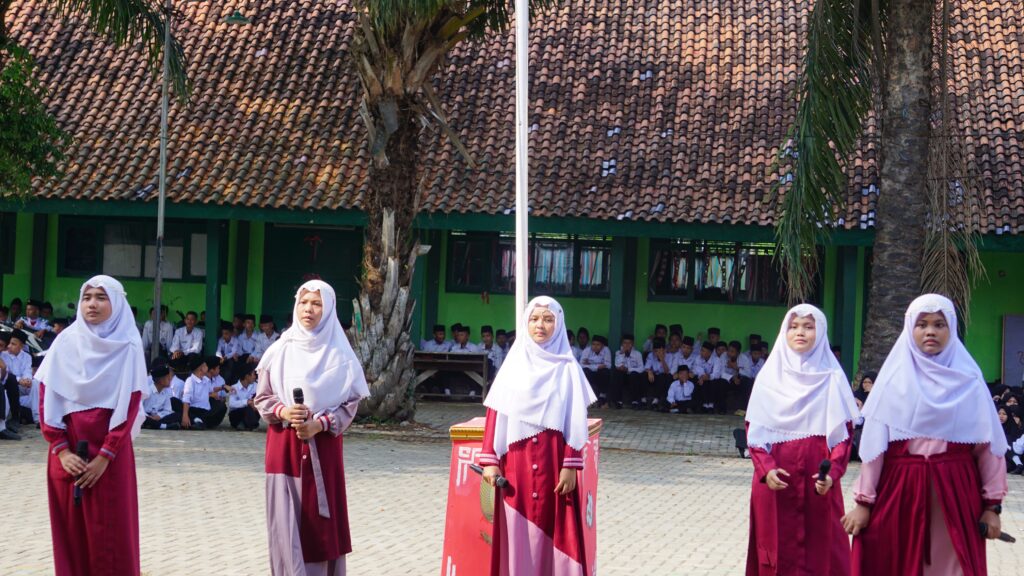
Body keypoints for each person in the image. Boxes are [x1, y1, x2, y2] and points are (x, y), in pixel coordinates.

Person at [844, 294, 1009, 575]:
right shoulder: (893, 381)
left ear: (952, 329)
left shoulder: (969, 381)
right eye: (922, 324)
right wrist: (863, 503)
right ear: (910, 329)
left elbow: (988, 449)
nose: (930, 331)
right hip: (899, 490)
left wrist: (992, 506)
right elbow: (875, 451)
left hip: (956, 491)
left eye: (939, 324)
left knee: (953, 566)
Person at [255, 280, 370, 575]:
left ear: (328, 309)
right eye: (304, 302)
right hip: (284, 450)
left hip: (324, 449)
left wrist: (320, 424)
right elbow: (263, 398)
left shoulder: (341, 356)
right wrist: (285, 411)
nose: (309, 309)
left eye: (317, 304)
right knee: (285, 523)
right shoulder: (279, 351)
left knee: (320, 528)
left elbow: (351, 403)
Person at [37, 275, 149, 576]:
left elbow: (131, 401)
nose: (93, 304)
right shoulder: (65, 342)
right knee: (71, 539)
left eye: (101, 297)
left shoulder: (127, 346)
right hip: (68, 453)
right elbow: (47, 397)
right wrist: (60, 450)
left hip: (109, 458)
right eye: (87, 297)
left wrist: (105, 456)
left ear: (117, 303)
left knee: (111, 539)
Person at [478, 296, 596, 575]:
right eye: (534, 319)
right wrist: (491, 461)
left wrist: (570, 465)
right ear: (525, 323)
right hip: (516, 468)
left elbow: (575, 422)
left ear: (559, 323)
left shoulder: (568, 369)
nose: (540, 325)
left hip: (553, 464)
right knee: (516, 532)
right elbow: (496, 415)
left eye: (547, 319)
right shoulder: (512, 366)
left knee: (556, 529)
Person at [745, 304, 860, 576]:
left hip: (817, 479)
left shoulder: (831, 378)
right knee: (774, 548)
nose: (801, 332)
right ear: (784, 332)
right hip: (776, 480)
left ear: (820, 333)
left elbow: (843, 437)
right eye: (794, 326)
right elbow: (755, 432)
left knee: (823, 550)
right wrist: (766, 469)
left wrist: (831, 473)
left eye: (809, 327)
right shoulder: (769, 378)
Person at [180, 355, 227, 430]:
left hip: (205, 411)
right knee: (174, 401)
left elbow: (212, 389)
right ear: (201, 368)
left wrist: (223, 387)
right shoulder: (190, 381)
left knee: (221, 406)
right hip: (193, 409)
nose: (207, 367)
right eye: (205, 365)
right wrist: (185, 415)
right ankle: (196, 421)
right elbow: (186, 399)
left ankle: (198, 422)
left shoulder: (205, 380)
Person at [142, 362, 181, 430]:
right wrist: (149, 417)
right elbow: (138, 408)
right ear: (161, 380)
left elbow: (167, 410)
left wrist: (159, 416)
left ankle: (154, 425)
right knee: (142, 418)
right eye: (168, 378)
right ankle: (163, 426)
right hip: (146, 416)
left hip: (157, 417)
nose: (170, 379)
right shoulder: (147, 391)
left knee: (177, 415)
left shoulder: (166, 392)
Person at [613, 333, 645, 409]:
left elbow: (641, 368)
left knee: (634, 375)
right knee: (618, 374)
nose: (627, 345)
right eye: (625, 343)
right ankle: (618, 401)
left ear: (632, 344)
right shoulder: (618, 353)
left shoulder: (637, 354)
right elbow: (617, 365)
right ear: (622, 344)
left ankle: (635, 401)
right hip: (623, 376)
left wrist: (629, 370)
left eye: (629, 343)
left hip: (633, 377)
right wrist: (622, 354)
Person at [644, 337, 675, 411]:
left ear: (664, 350)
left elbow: (667, 371)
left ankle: (657, 400)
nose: (657, 353)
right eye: (655, 351)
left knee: (665, 376)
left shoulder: (670, 356)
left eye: (659, 351)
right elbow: (646, 367)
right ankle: (643, 400)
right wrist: (649, 371)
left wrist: (662, 360)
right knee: (644, 375)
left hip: (664, 377)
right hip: (654, 377)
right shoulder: (651, 355)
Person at [579, 334, 611, 404]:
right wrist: (597, 366)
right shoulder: (587, 350)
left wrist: (590, 363)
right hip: (591, 373)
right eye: (593, 344)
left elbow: (608, 365)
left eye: (598, 344)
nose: (595, 346)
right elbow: (581, 364)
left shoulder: (606, 350)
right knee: (585, 371)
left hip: (600, 373)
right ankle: (588, 395)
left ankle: (602, 395)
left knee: (605, 372)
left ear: (602, 346)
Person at [227, 364, 260, 431]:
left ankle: (246, 424)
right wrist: (247, 402)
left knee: (253, 408)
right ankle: (248, 424)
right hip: (237, 415)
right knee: (246, 408)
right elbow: (231, 404)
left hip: (252, 412)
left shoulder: (256, 386)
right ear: (247, 376)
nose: (255, 377)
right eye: (253, 374)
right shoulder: (234, 387)